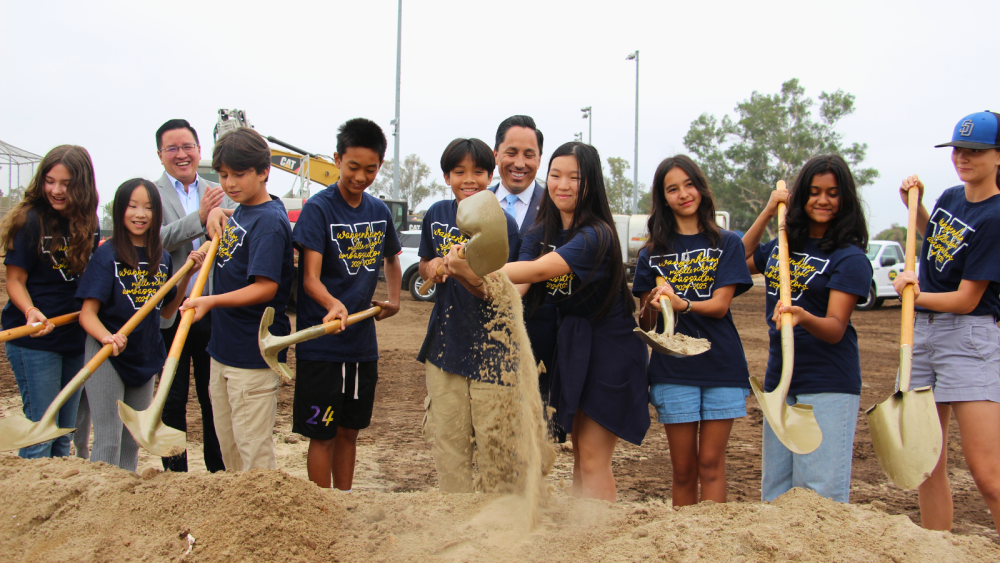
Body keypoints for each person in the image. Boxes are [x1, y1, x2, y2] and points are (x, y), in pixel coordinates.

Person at [446, 141, 649, 501]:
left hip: (611, 349)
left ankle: (601, 536)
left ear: (591, 183)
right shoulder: (541, 233)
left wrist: (473, 261)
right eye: (556, 175)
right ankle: (581, 531)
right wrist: (466, 274)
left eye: (575, 177)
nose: (563, 185)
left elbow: (537, 271)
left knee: (591, 457)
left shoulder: (596, 235)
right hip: (573, 348)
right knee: (581, 457)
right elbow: (515, 288)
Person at [891, 111, 1000, 533]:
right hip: (923, 332)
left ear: (997, 156)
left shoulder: (995, 217)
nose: (963, 157)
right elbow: (938, 241)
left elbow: (967, 298)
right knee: (924, 460)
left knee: (986, 472)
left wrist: (912, 291)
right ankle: (937, 549)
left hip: (969, 337)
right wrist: (913, 208)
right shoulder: (953, 197)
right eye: (958, 149)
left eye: (975, 151)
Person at [742, 154, 871, 504]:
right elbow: (736, 261)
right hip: (780, 381)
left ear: (844, 198)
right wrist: (769, 212)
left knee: (818, 495)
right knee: (777, 490)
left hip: (827, 383)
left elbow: (834, 329)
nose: (823, 200)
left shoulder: (850, 257)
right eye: (814, 192)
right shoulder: (783, 245)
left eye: (832, 193)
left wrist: (802, 316)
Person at [633, 155, 753, 507]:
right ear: (663, 198)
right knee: (683, 470)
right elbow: (646, 326)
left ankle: (712, 543)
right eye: (673, 189)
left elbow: (719, 306)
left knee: (712, 465)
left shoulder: (726, 243)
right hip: (673, 371)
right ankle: (684, 543)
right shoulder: (651, 254)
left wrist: (681, 302)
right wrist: (653, 306)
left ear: (700, 188)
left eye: (689, 185)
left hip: (721, 366)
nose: (683, 194)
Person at [292, 118, 402, 491]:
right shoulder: (318, 210)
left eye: (370, 169)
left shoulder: (379, 210)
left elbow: (392, 258)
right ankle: (321, 507)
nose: (360, 176)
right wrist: (333, 303)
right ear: (337, 159)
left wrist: (395, 299)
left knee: (349, 432)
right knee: (321, 434)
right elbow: (309, 278)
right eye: (353, 167)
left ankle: (345, 500)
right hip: (322, 344)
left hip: (361, 345)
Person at [180, 127, 294, 472]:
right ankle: (237, 518)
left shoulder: (271, 224)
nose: (229, 183)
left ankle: (263, 521)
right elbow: (239, 224)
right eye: (224, 174)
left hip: (252, 354)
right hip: (224, 348)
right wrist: (218, 213)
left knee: (252, 453)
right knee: (228, 445)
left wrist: (211, 302)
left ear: (263, 172)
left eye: (239, 174)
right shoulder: (244, 210)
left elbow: (265, 288)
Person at [76, 179, 205, 471]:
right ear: (120, 210)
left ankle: (123, 504)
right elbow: (87, 314)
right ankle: (102, 501)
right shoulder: (107, 255)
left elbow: (166, 314)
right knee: (109, 438)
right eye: (132, 206)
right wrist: (107, 338)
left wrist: (187, 275)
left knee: (133, 438)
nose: (140, 213)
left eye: (148, 207)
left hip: (145, 356)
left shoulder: (162, 258)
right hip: (107, 355)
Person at [417, 138, 520, 493]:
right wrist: (432, 266)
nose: (469, 179)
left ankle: (497, 525)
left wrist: (464, 272)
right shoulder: (436, 215)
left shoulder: (506, 226)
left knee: (496, 449)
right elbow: (423, 266)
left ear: (491, 176)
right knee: (449, 445)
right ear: (447, 177)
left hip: (494, 350)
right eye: (459, 171)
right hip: (444, 347)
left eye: (478, 171)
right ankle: (453, 517)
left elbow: (502, 293)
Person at [0, 145, 99, 459]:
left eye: (66, 184)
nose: (56, 190)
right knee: (40, 434)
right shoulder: (30, 220)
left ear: (81, 185)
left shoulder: (89, 222)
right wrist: (31, 312)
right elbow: (15, 280)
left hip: (72, 337)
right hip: (33, 338)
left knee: (62, 436)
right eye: (50, 181)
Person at [154, 118, 234, 473]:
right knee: (171, 397)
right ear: (160, 155)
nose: (181, 154)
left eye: (188, 147)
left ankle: (217, 472)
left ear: (199, 150)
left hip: (208, 312)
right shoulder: (150, 195)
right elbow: (153, 240)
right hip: (168, 312)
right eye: (172, 148)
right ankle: (175, 474)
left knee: (212, 395)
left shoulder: (221, 190)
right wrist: (200, 219)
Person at [488, 115, 561, 440]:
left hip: (544, 345)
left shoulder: (559, 207)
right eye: (511, 152)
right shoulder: (476, 205)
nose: (520, 163)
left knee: (536, 438)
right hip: (487, 341)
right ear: (495, 155)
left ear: (540, 159)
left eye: (529, 154)